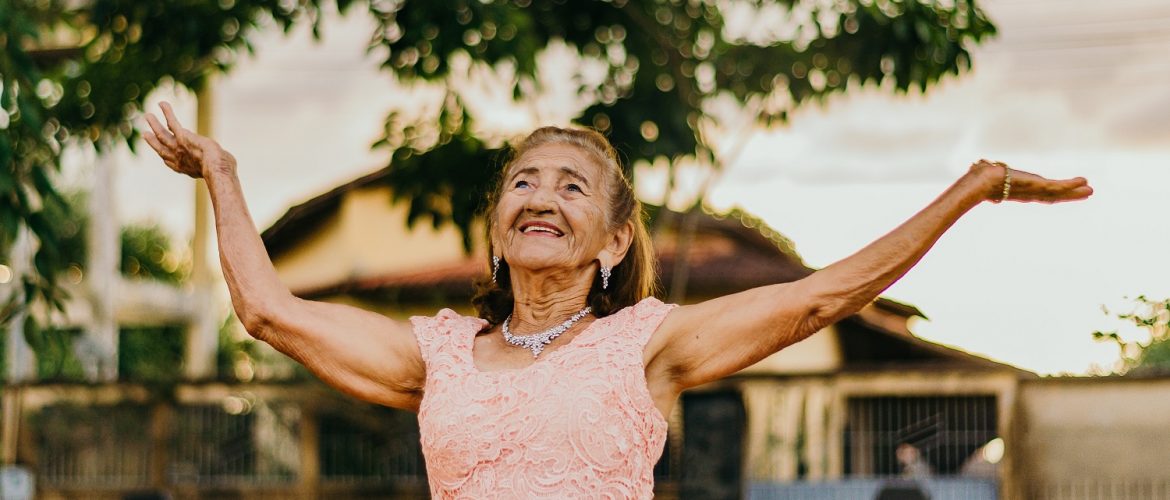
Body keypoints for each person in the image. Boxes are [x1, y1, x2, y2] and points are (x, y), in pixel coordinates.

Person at [142, 101, 1092, 498]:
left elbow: (823, 297)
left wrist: (973, 189)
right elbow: (267, 310)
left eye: (571, 185)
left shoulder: (648, 343)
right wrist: (219, 172)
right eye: (523, 181)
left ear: (614, 242)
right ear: (495, 224)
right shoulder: (436, 354)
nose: (541, 196)